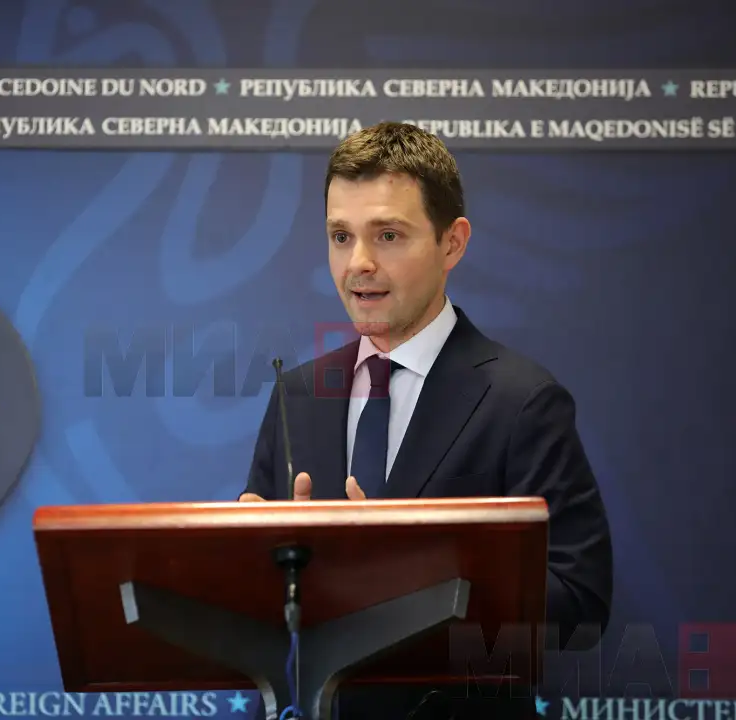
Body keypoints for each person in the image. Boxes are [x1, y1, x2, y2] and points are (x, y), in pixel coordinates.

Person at [240, 122, 613, 719]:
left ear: (452, 243)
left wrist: (410, 568)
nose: (358, 263)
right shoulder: (297, 396)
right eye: (340, 236)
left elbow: (581, 603)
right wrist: (251, 564)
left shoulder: (522, 401)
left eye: (388, 235)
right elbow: (266, 614)